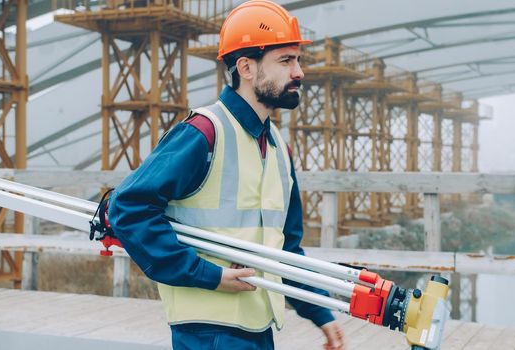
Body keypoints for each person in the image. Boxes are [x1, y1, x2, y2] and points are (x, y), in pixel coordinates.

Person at [107, 1, 346, 349]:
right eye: (286, 60)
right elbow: (128, 208)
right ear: (246, 68)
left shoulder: (279, 148)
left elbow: (286, 248)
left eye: (298, 60)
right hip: (208, 332)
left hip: (258, 328)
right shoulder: (204, 132)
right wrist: (209, 275)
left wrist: (320, 314)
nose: (299, 73)